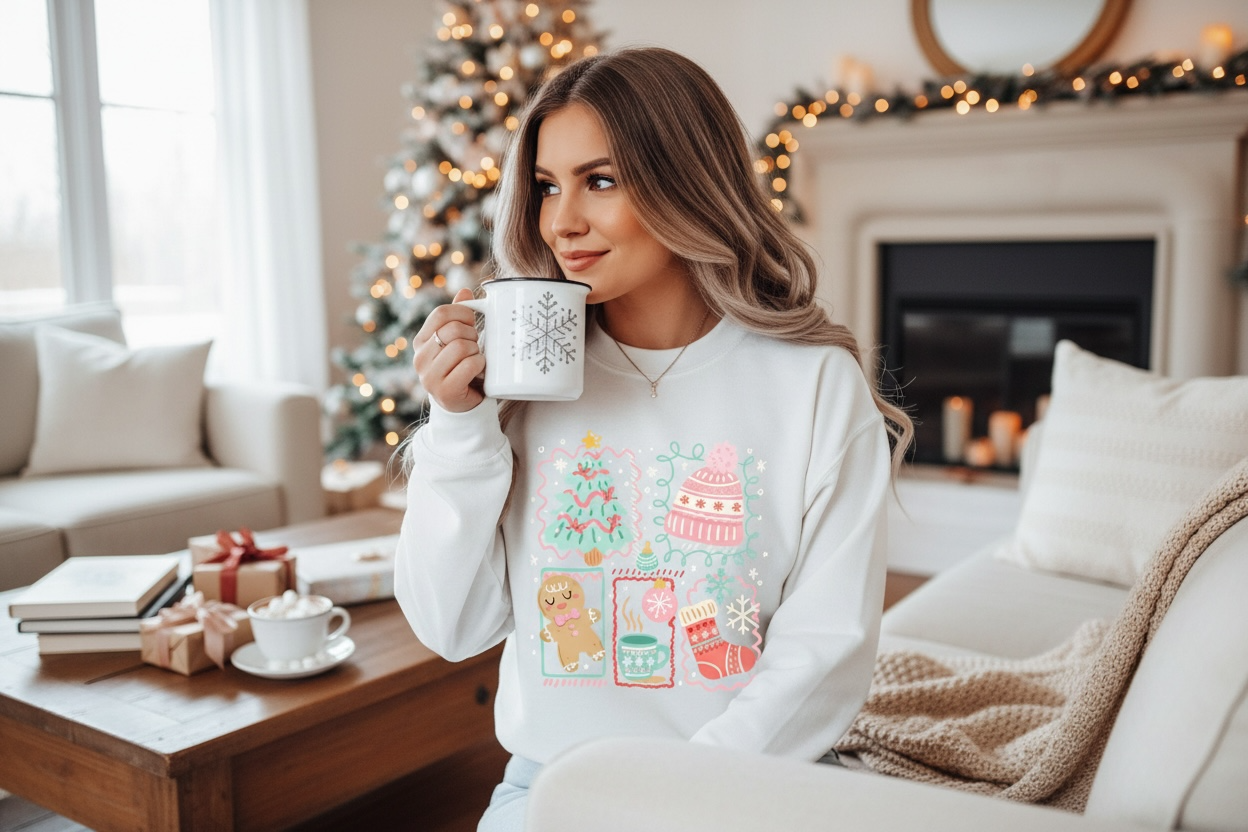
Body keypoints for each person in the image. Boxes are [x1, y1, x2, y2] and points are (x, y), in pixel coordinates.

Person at [394, 46, 913, 831]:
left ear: (686, 181)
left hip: (748, 786)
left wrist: (677, 797)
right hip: (554, 788)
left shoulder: (811, 383)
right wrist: (460, 426)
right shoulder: (519, 382)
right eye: (545, 187)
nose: (563, 220)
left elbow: (828, 646)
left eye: (599, 181)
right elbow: (451, 627)